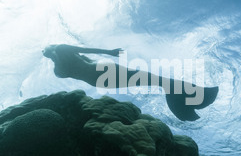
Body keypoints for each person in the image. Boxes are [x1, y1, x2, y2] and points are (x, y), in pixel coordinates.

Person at [42, 44, 218, 121]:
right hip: (103, 72)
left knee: (154, 81)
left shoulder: (58, 71)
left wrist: (107, 54)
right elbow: (84, 51)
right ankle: (193, 97)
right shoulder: (61, 50)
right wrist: (109, 52)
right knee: (154, 79)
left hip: (100, 80)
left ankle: (186, 100)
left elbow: (81, 58)